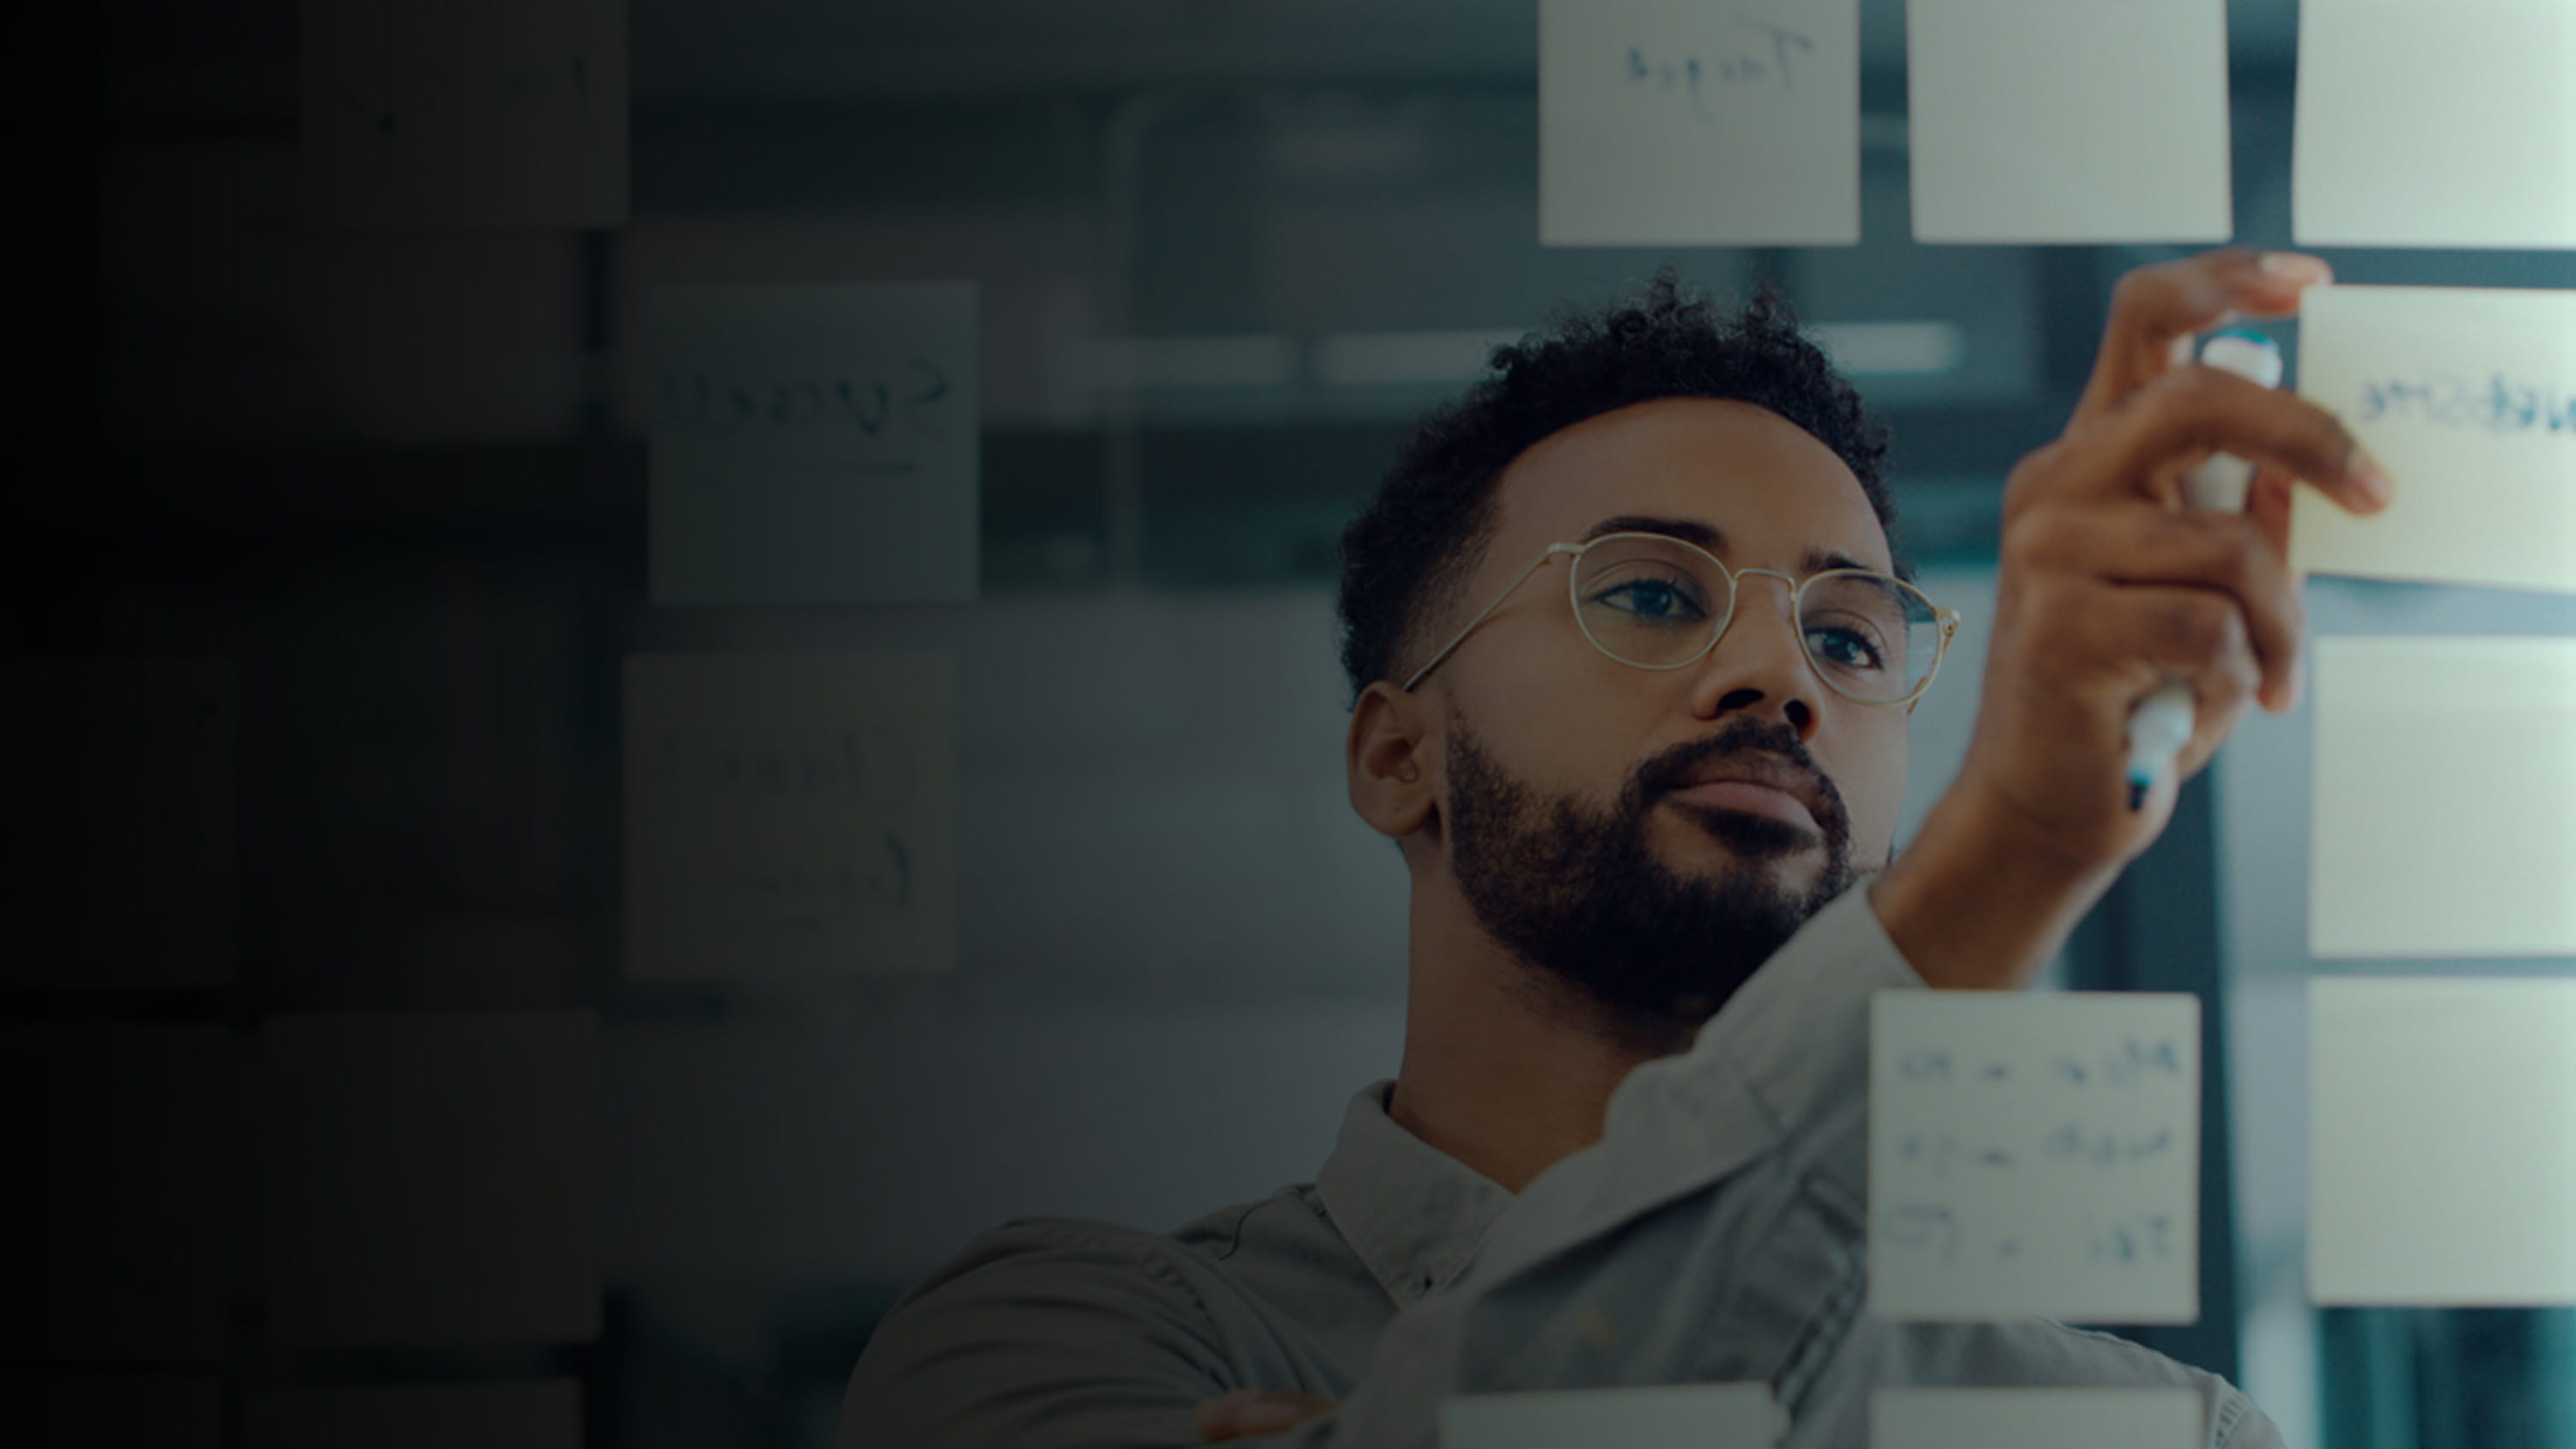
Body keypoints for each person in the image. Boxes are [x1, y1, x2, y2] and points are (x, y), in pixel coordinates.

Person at [840, 247, 2391, 1448]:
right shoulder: (1064, 1343)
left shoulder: (2151, 1433)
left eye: (1850, 637)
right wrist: (2015, 846)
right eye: (1650, 594)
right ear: (1397, 756)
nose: (1780, 677)